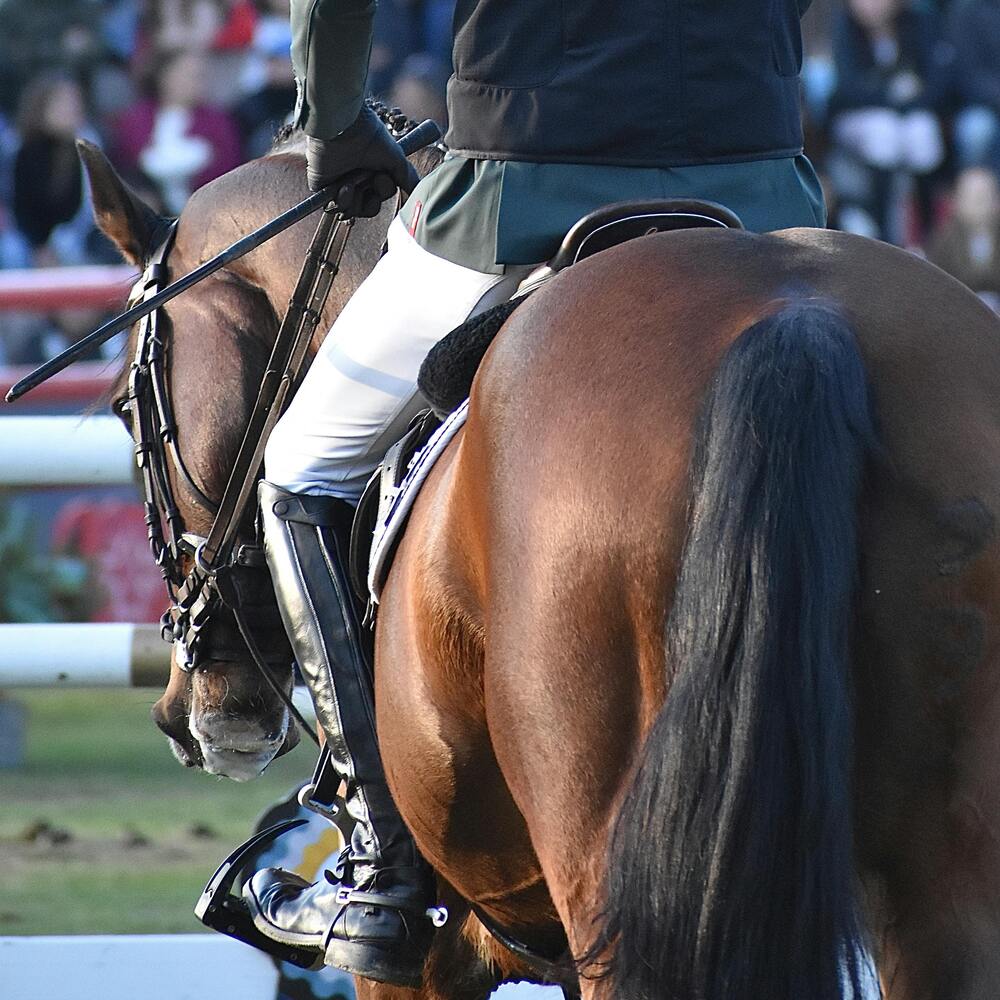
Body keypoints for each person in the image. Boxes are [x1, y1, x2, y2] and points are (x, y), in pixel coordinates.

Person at [241, 0, 827, 988]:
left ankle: (380, 862)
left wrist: (334, 122)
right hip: (767, 191)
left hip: (521, 185)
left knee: (303, 466)